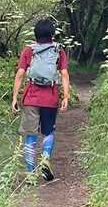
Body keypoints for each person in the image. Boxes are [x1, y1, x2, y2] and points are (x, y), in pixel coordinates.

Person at [12, 17, 70, 182]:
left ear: (35, 34)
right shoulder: (58, 51)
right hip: (50, 98)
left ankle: (31, 173)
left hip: (31, 98)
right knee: (48, 132)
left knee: (30, 135)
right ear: (52, 34)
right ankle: (45, 160)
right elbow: (64, 74)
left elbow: (20, 74)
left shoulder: (28, 50)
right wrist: (66, 96)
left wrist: (15, 97)